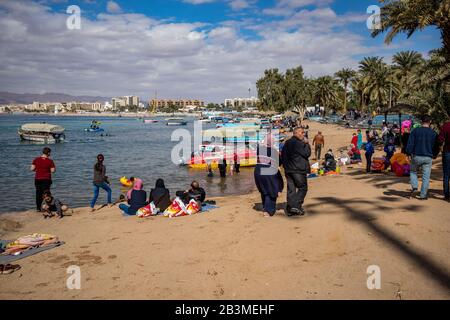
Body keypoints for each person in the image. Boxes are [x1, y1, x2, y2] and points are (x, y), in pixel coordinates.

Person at [406, 115, 438, 200]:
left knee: (413, 171)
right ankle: (423, 195)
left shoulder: (415, 131)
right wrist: (435, 154)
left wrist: (408, 153)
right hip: (428, 157)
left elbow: (410, 143)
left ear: (421, 121)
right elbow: (436, 146)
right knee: (426, 177)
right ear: (430, 122)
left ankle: (415, 187)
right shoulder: (433, 133)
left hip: (416, 156)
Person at [282, 127, 311, 216]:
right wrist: (307, 144)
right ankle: (295, 206)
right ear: (296, 133)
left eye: (304, 133)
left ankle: (290, 209)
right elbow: (307, 153)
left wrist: (285, 167)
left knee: (291, 189)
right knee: (303, 188)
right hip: (298, 169)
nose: (303, 134)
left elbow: (282, 155)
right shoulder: (298, 143)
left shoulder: (287, 143)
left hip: (289, 170)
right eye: (302, 132)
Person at [254, 139, 284, 217]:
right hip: (268, 171)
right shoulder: (273, 151)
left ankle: (265, 207)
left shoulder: (259, 149)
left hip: (258, 171)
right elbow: (280, 162)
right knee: (272, 190)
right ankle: (267, 211)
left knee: (264, 190)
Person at [31, 147, 56, 212]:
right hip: (46, 179)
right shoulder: (50, 161)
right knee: (46, 193)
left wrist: (38, 170)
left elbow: (32, 169)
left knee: (38, 193)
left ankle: (38, 208)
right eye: (50, 153)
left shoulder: (36, 159)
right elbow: (53, 171)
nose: (50, 154)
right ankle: (47, 207)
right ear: (48, 153)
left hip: (37, 178)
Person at [438, 120, 450, 201]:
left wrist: (441, 148)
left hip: (447, 152)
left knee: (446, 174)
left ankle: (446, 195)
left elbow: (440, 140)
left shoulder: (446, 126)